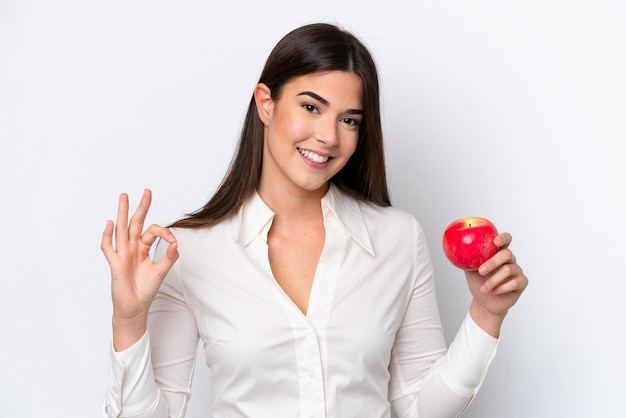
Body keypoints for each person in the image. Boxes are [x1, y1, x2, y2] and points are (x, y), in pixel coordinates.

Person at [101, 23, 528, 418]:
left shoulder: (397, 237)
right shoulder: (189, 250)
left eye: (348, 120)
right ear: (266, 103)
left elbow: (419, 407)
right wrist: (128, 319)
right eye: (310, 107)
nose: (329, 137)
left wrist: (486, 313)